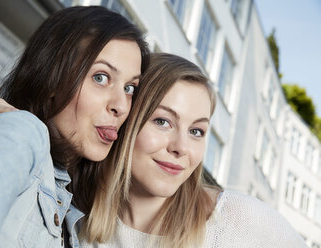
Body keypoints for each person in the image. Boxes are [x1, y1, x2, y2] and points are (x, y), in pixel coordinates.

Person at [0, 5, 149, 248]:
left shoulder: (72, 212)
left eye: (129, 88)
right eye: (100, 77)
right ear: (51, 79)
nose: (121, 106)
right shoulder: (23, 132)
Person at [78, 53, 307, 247]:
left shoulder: (243, 222)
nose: (181, 148)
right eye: (163, 122)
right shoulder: (70, 218)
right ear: (126, 119)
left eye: (196, 131)